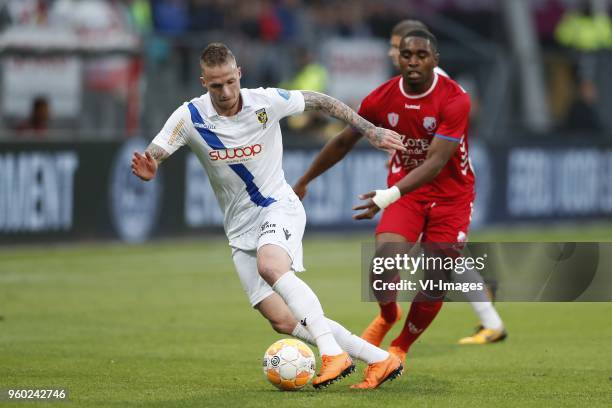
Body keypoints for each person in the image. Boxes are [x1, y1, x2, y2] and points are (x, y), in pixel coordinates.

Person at [131, 43, 405, 389]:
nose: (226, 91)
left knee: (271, 265)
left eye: (231, 81)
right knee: (282, 320)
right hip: (239, 228)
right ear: (204, 82)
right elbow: (158, 150)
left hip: (279, 206)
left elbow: (320, 100)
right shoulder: (190, 117)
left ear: (239, 74)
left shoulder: (265, 102)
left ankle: (333, 354)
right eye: (216, 85)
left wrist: (370, 130)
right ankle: (381, 360)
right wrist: (152, 165)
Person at [294, 28, 506, 364]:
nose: (413, 61)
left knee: (436, 277)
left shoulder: (454, 98)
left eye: (421, 55)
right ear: (398, 59)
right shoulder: (381, 98)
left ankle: (399, 348)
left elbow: (436, 162)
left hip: (452, 197)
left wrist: (387, 195)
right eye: (406, 55)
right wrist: (304, 180)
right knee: (382, 264)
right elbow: (344, 141)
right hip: (409, 192)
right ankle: (387, 314)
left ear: (435, 60)